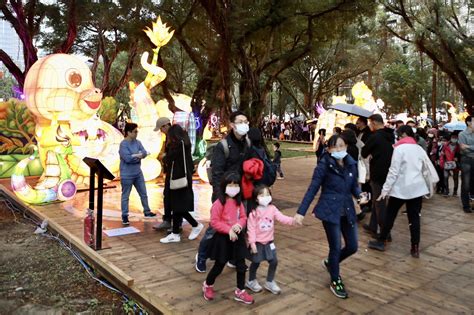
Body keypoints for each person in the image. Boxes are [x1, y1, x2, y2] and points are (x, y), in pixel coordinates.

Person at [294, 135, 369, 299]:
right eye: (335, 147)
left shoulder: (351, 163)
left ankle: (330, 263)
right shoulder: (323, 165)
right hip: (329, 210)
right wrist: (301, 212)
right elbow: (312, 189)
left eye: (341, 146)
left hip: (347, 209)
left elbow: (354, 186)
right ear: (328, 149)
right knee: (335, 247)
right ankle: (335, 279)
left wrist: (360, 195)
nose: (339, 149)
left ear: (347, 146)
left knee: (353, 246)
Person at [368, 126, 438, 258]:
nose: (398, 138)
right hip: (417, 188)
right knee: (414, 218)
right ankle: (415, 247)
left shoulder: (399, 149)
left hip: (401, 189)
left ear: (404, 134)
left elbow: (393, 171)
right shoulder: (419, 149)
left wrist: (385, 190)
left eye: (399, 135)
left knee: (390, 215)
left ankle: (381, 241)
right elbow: (425, 168)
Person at [195, 111, 251, 272]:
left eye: (246, 121)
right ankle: (202, 256)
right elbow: (217, 173)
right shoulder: (223, 146)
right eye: (240, 121)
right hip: (223, 193)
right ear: (232, 125)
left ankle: (234, 258)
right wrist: (221, 198)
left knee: (240, 226)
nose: (244, 124)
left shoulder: (247, 143)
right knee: (215, 227)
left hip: (240, 192)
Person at [202, 171, 253, 304]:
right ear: (224, 186)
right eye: (230, 185)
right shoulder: (219, 203)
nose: (233, 188)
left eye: (236, 185)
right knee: (219, 265)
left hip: (238, 238)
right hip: (223, 240)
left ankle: (240, 290)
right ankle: (208, 284)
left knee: (241, 265)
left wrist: (239, 225)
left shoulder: (238, 202)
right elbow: (214, 222)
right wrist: (228, 229)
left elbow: (243, 217)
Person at [246, 185, 294, 294]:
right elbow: (251, 228)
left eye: (267, 194)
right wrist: (252, 243)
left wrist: (292, 221)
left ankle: (270, 281)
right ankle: (251, 280)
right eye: (262, 195)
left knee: (274, 261)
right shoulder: (254, 212)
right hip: (257, 242)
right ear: (256, 198)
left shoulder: (272, 209)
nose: (265, 197)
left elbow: (281, 217)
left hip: (269, 242)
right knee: (256, 262)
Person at [159, 125, 204, 243]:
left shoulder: (178, 145)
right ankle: (175, 233)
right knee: (177, 206)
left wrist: (164, 157)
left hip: (178, 178)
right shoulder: (185, 144)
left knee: (178, 206)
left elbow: (168, 159)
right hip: (183, 178)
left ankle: (195, 225)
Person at [361, 114, 395, 238]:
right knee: (378, 200)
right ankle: (373, 226)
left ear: (374, 123)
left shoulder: (374, 137)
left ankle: (385, 233)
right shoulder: (391, 135)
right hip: (389, 172)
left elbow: (364, 153)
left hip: (377, 173)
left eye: (370, 123)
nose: (369, 126)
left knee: (380, 203)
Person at [119, 123, 156, 225]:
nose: (136, 133)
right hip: (126, 174)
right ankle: (125, 215)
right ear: (128, 132)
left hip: (138, 173)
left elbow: (144, 153)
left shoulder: (138, 142)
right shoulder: (123, 144)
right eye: (135, 132)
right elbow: (127, 158)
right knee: (125, 196)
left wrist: (136, 156)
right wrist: (137, 157)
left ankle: (147, 211)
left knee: (143, 193)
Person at [152, 117, 174, 231]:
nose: (161, 131)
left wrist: (165, 157)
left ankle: (174, 223)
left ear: (166, 126)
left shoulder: (175, 137)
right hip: (171, 172)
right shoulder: (170, 137)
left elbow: (174, 155)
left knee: (174, 197)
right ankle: (168, 220)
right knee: (168, 196)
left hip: (175, 173)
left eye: (161, 129)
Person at [458, 115, 474, 213]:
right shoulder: (462, 134)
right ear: (468, 123)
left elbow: (465, 147)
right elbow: (462, 148)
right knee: (466, 184)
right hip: (466, 160)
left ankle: (473, 203)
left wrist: (468, 146)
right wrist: (467, 147)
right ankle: (466, 205)